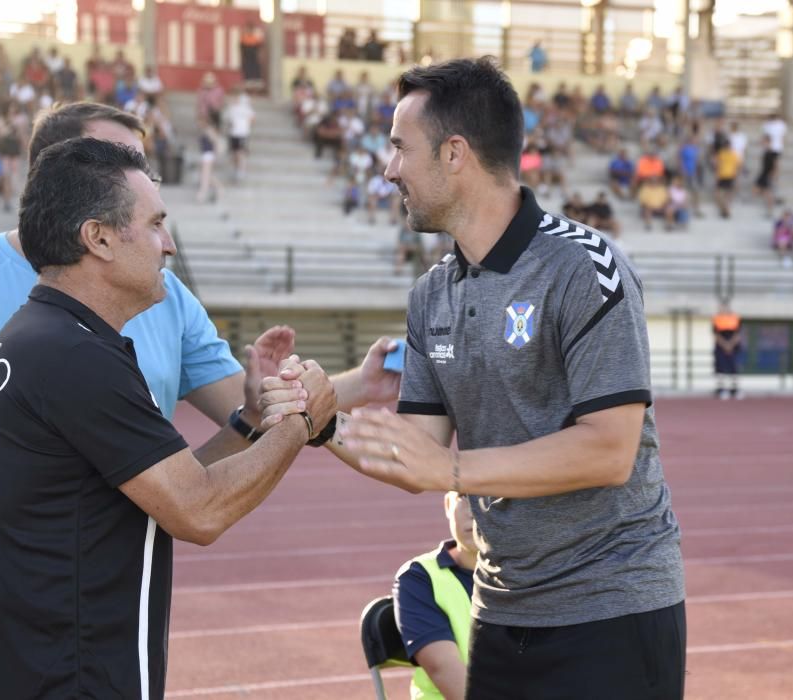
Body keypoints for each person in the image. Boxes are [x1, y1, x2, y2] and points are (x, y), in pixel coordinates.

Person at [262, 57, 685, 699]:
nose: (388, 168)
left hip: (612, 609)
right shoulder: (431, 296)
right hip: (500, 611)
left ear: (454, 153)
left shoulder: (585, 267)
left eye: (401, 147)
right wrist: (318, 417)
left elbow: (610, 449)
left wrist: (454, 473)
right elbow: (417, 453)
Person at [0, 101, 315, 700]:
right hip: (66, 669)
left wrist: (252, 423)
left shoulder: (33, 333)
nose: (169, 245)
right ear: (99, 238)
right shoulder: (76, 357)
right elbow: (199, 510)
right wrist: (297, 423)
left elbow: (163, 478)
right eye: (155, 224)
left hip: (18, 653)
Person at [393, 491, 475, 700]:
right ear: (448, 505)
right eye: (465, 496)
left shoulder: (538, 572)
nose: (475, 510)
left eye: (492, 496)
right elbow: (443, 669)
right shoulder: (420, 579)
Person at [712, 301, 742, 399]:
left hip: (733, 347)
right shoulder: (717, 319)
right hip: (720, 347)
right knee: (721, 367)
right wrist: (725, 345)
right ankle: (721, 389)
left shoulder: (735, 318)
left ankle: (734, 389)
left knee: (734, 367)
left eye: (725, 307)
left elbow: (738, 334)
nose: (723, 309)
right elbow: (716, 334)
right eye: (721, 307)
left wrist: (730, 345)